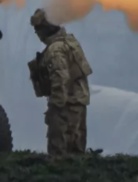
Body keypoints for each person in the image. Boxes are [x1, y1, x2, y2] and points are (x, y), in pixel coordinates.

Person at [27, 8, 92, 156]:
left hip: (65, 106)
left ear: (45, 29)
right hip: (78, 102)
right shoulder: (69, 42)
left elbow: (60, 79)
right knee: (76, 150)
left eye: (37, 29)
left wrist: (54, 108)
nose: (37, 34)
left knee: (59, 151)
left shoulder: (55, 50)